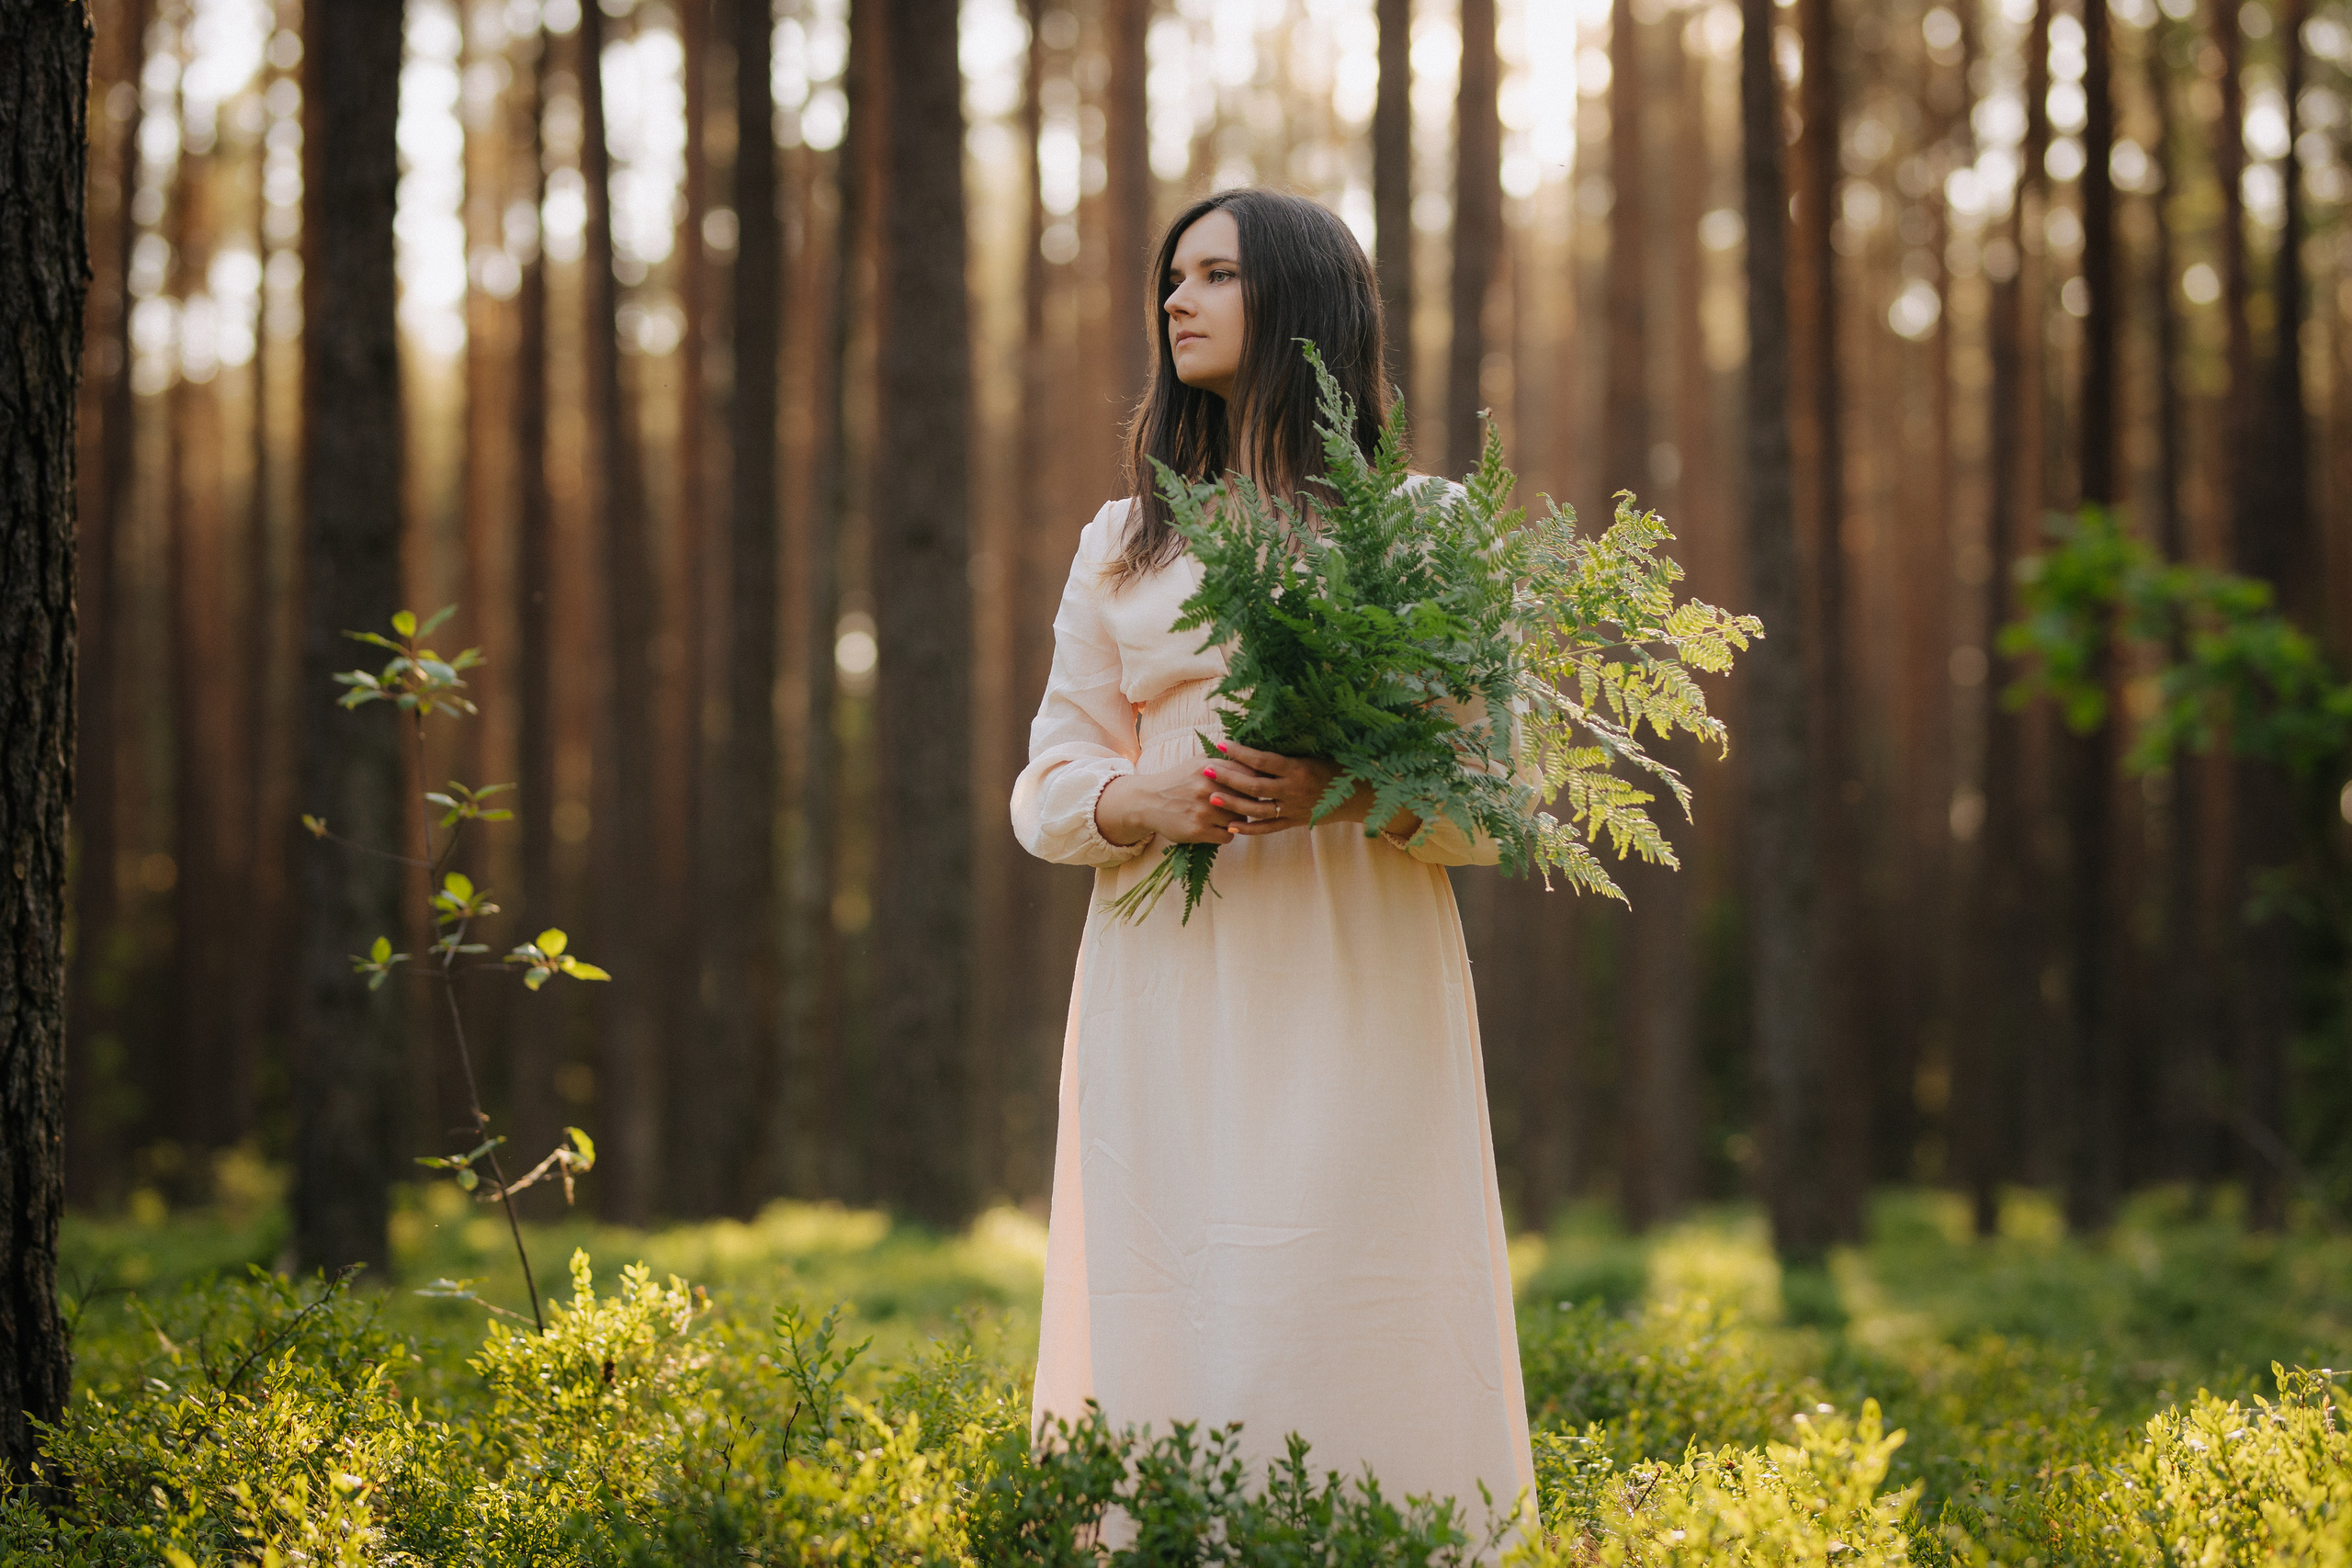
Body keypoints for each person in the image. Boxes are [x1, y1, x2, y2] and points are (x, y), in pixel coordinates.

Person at [1011, 187, 1536, 1541]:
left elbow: (1493, 803)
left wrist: (1343, 792)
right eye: (1173, 276)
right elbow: (1046, 787)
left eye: (1217, 275)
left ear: (1302, 298)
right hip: (1165, 970)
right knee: (1176, 1274)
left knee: (1351, 1270)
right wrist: (1139, 797)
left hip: (1357, 960)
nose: (1175, 301)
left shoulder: (1420, 527)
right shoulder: (1123, 543)